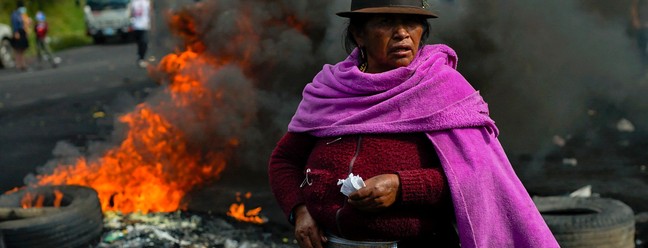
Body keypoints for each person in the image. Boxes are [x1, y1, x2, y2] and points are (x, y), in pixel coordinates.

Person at [267, 0, 559, 247]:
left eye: (412, 23)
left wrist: (402, 185)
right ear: (358, 34)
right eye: (386, 22)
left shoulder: (444, 90)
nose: (402, 33)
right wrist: (300, 209)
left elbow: (479, 175)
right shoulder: (331, 90)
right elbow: (284, 159)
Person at [130, 0, 152, 68]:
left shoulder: (146, 2)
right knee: (140, 43)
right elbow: (131, 13)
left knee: (144, 42)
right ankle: (140, 58)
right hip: (136, 26)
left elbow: (150, 13)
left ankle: (141, 58)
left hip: (144, 25)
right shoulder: (133, 2)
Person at [10, 1, 30, 71]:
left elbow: (25, 23)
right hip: (18, 32)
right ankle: (19, 64)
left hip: (23, 32)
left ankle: (23, 64)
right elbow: (15, 24)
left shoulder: (22, 14)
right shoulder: (15, 14)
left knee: (22, 49)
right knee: (18, 49)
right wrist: (16, 32)